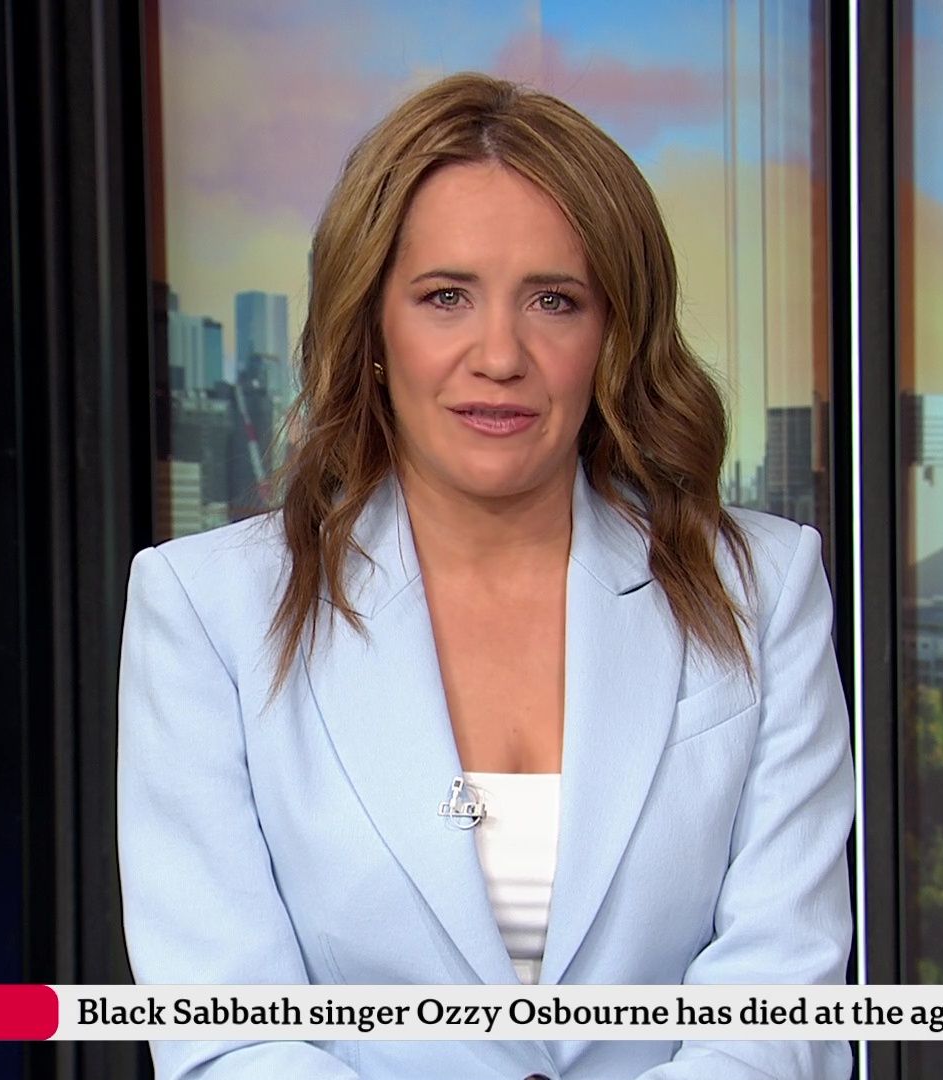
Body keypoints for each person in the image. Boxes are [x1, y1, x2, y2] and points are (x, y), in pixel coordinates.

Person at [117, 71, 854, 1080]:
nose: (499, 354)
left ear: (614, 334)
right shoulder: (207, 609)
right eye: (446, 297)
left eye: (554, 300)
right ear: (373, 328)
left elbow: (779, 1002)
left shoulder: (762, 587)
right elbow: (231, 1033)